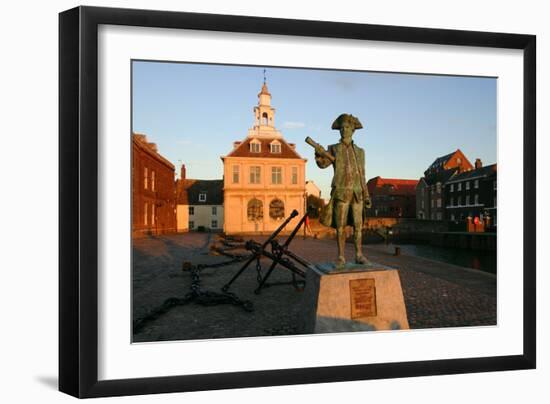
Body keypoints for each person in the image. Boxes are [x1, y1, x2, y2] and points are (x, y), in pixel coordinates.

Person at [314, 113, 371, 266]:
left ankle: (359, 255)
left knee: (358, 226)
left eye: (347, 127)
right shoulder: (333, 149)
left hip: (357, 193)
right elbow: (323, 164)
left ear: (353, 130)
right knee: (340, 226)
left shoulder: (360, 151)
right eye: (342, 127)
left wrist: (367, 195)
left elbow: (362, 174)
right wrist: (318, 154)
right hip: (341, 192)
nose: (344, 130)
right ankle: (341, 257)